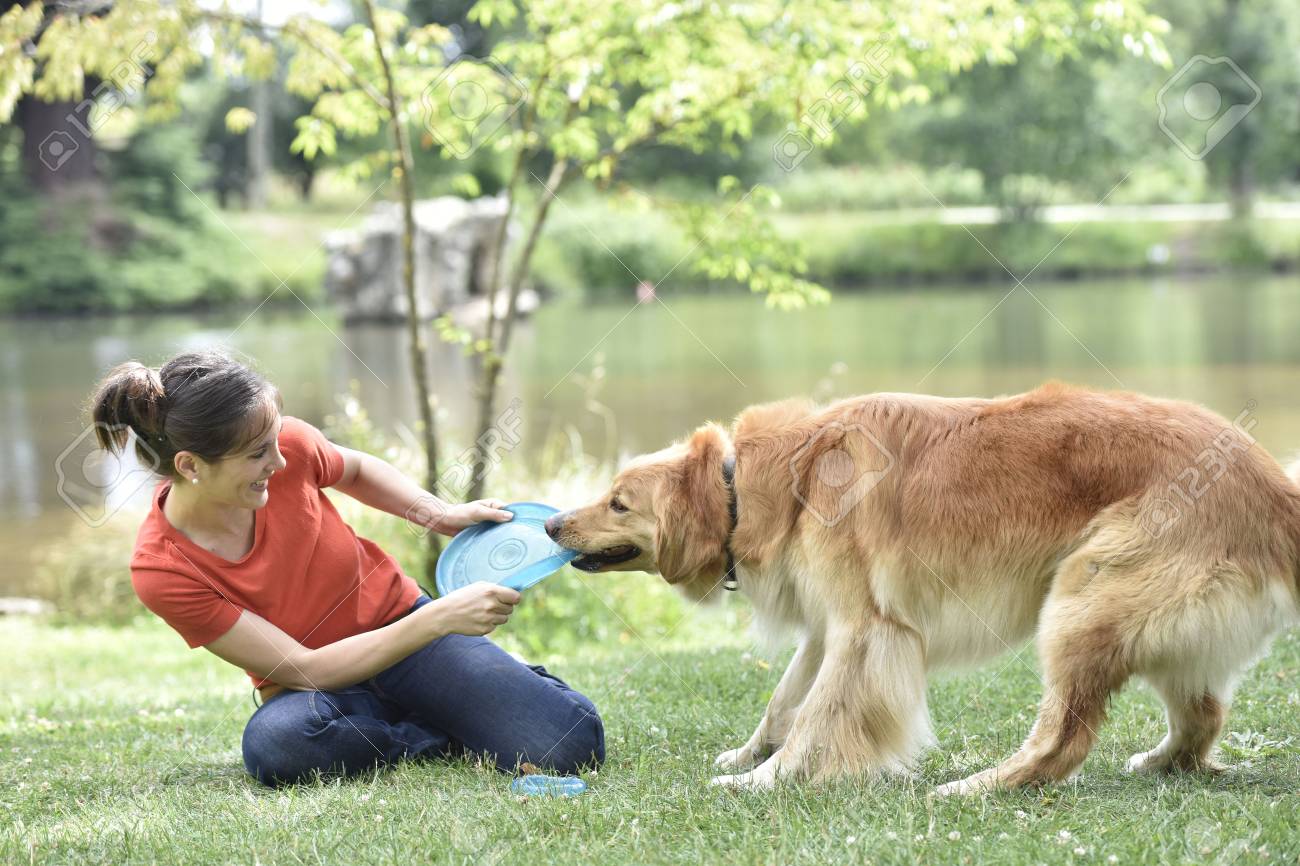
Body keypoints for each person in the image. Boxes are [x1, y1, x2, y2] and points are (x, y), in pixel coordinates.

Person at [90, 351, 604, 786]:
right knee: (278, 746)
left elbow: (352, 467)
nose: (281, 461)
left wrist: (439, 514)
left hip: (403, 627)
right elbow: (304, 669)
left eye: (275, 441)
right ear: (190, 466)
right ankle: (437, 731)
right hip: (318, 689)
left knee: (571, 742)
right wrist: (442, 617)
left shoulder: (281, 443)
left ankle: (449, 701)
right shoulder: (162, 571)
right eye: (257, 455)